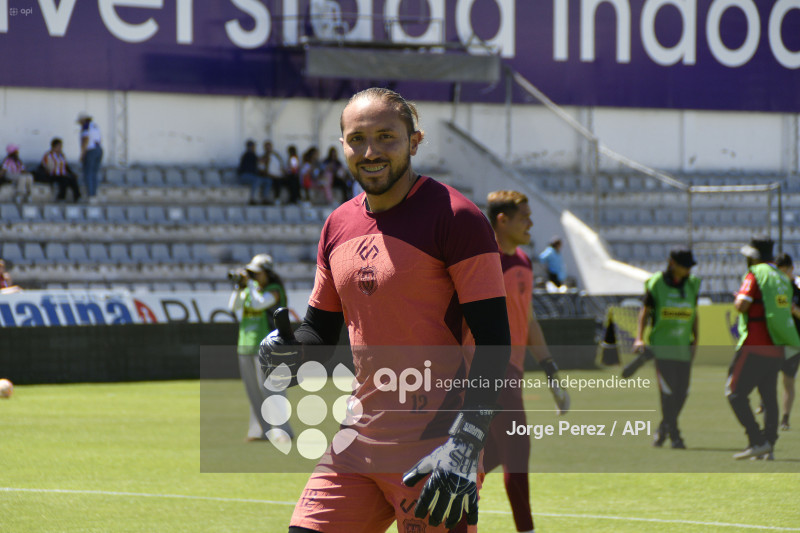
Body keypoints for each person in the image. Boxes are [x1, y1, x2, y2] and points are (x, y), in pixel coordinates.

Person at [259, 87, 511, 533]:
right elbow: (320, 335)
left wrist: (467, 443)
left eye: (386, 137)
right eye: (357, 139)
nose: (370, 151)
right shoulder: (337, 225)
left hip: (437, 446)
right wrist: (287, 352)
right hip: (356, 442)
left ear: (414, 142)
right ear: (342, 147)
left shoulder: (457, 218)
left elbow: (495, 342)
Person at [479, 190, 571, 533]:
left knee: (488, 455)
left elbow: (529, 321)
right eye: (524, 217)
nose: (531, 223)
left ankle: (437, 501)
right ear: (502, 220)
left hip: (512, 371)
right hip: (488, 370)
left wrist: (551, 373)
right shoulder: (481, 262)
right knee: (517, 445)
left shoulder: (523, 262)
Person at [727, 237, 800, 460]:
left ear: (754, 256)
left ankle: (756, 440)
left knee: (734, 393)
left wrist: (738, 299)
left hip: (755, 343)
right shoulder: (782, 277)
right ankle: (769, 444)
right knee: (769, 396)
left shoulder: (755, 273)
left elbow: (742, 305)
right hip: (777, 344)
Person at [628, 246, 700, 449]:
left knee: (682, 393)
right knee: (668, 392)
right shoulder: (657, 283)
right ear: (672, 264)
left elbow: (694, 313)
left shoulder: (693, 284)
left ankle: (663, 427)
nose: (689, 270)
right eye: (685, 266)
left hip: (683, 347)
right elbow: (646, 311)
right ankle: (675, 435)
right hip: (662, 346)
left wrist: (696, 340)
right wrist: (639, 338)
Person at [228, 253, 294, 443]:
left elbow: (258, 304)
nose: (253, 276)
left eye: (256, 273)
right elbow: (233, 307)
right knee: (253, 391)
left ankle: (283, 430)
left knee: (272, 390)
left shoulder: (274, 290)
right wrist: (239, 287)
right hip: (246, 345)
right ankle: (260, 430)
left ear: (268, 273)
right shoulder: (251, 289)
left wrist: (249, 285)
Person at [773, 253, 800, 431]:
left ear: (792, 270)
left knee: (788, 381)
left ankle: (785, 418)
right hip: (778, 340)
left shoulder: (797, 289)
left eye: (786, 271)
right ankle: (766, 406)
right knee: (769, 377)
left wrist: (793, 310)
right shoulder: (773, 290)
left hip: (794, 342)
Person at [39, 137, 81, 203]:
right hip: (53, 174)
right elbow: (44, 166)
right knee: (64, 180)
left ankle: (77, 197)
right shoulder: (48, 155)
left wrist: (71, 173)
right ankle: (61, 197)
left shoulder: (61, 155)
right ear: (54, 146)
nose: (60, 148)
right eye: (59, 146)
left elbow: (65, 166)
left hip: (62, 174)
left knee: (73, 179)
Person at [77, 112, 103, 202]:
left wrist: (82, 154)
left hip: (90, 150)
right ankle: (94, 194)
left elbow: (86, 140)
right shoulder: (95, 126)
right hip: (98, 149)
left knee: (88, 173)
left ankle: (90, 195)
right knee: (94, 173)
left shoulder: (86, 127)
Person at [237, 140, 270, 205]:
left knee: (268, 181)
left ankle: (265, 199)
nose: (254, 148)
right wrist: (267, 154)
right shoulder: (248, 154)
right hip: (244, 176)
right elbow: (261, 161)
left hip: (252, 176)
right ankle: (252, 199)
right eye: (253, 146)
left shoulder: (253, 154)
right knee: (257, 180)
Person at [258, 140, 284, 205]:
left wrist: (282, 172)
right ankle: (275, 199)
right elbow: (261, 169)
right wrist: (269, 174)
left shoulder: (276, 156)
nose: (268, 149)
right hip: (269, 176)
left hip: (278, 175)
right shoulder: (263, 157)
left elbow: (281, 165)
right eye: (267, 148)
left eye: (269, 147)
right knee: (276, 182)